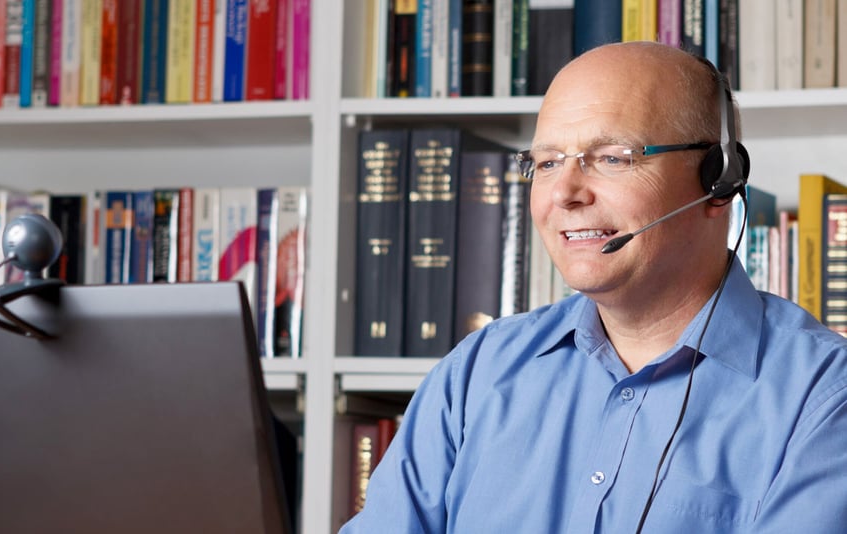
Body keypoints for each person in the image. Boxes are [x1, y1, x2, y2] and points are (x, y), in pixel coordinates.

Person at [339, 41, 847, 533]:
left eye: (613, 157)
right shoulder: (475, 373)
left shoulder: (824, 396)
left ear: (718, 180)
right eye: (547, 162)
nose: (564, 193)